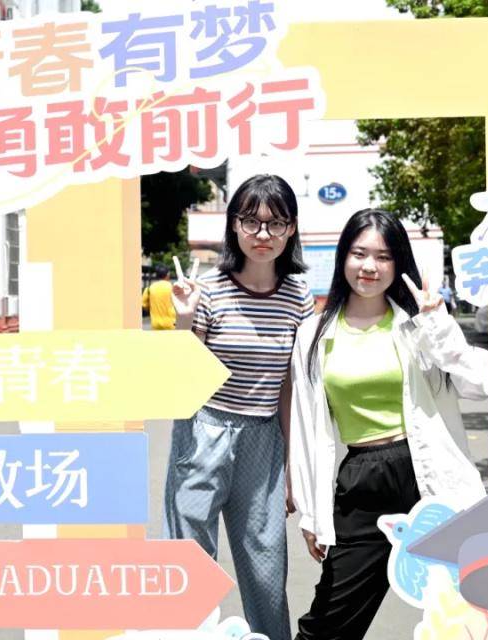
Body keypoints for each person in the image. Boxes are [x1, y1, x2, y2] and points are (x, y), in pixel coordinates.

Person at [288, 209, 488, 640]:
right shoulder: (313, 335)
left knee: (466, 611)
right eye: (359, 253)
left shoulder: (418, 323)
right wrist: (312, 512)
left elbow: (478, 383)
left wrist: (438, 325)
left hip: (426, 471)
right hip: (363, 479)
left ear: (398, 264)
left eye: (383, 256)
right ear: (343, 258)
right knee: (330, 622)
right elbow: (306, 429)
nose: (369, 266)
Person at [165, 174, 314, 640]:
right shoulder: (208, 290)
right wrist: (185, 319)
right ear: (233, 225)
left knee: (266, 566)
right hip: (203, 429)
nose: (263, 234)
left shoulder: (298, 297)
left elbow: (290, 385)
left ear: (291, 229)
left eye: (276, 223)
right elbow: (184, 375)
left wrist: (291, 465)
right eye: (251, 221)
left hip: (264, 435)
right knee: (189, 560)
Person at [142, 264, 177, 330]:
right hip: (171, 324)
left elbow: (144, 305)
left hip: (155, 325)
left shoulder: (149, 288)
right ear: (167, 274)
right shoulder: (173, 288)